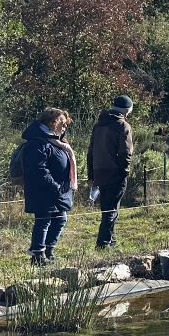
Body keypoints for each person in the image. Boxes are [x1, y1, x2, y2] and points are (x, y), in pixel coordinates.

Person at [22, 107, 76, 265]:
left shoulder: (56, 141)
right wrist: (54, 187)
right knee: (44, 221)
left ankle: (49, 251)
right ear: (52, 122)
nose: (64, 127)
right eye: (62, 123)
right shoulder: (38, 142)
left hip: (59, 190)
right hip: (44, 190)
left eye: (66, 125)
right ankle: (38, 256)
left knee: (60, 219)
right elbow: (39, 169)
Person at [87, 95, 134, 248]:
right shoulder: (123, 126)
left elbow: (90, 151)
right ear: (127, 111)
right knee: (112, 210)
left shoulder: (98, 125)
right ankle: (103, 243)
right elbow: (125, 152)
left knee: (107, 208)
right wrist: (124, 171)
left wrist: (91, 175)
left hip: (99, 171)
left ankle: (111, 240)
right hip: (115, 172)